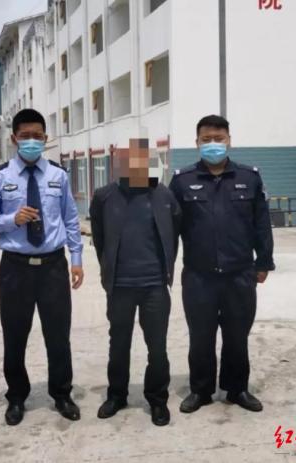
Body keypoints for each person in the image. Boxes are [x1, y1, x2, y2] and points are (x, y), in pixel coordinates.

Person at [0, 109, 84, 426]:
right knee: (14, 335)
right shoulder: (0, 178)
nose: (32, 141)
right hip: (15, 268)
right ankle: (16, 397)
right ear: (14, 138)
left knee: (58, 335)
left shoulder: (58, 176)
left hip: (53, 266)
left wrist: (76, 260)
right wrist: (12, 219)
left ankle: (62, 394)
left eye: (38, 136)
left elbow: (71, 220)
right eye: (25, 136)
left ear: (46, 138)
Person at [169, 115, 275, 414]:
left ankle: (237, 389)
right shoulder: (182, 180)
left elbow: (261, 224)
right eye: (207, 139)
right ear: (197, 143)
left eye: (219, 139)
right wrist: (166, 268)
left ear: (229, 141)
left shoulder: (249, 177)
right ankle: (201, 391)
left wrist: (263, 261)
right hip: (198, 276)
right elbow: (170, 230)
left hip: (239, 274)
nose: (213, 144)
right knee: (200, 338)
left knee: (237, 336)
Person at [90, 140, 181, 426]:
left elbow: (174, 235)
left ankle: (157, 399)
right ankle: (117, 395)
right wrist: (109, 270)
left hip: (155, 286)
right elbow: (99, 239)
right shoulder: (104, 197)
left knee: (158, 347)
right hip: (120, 287)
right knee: (118, 344)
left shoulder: (164, 195)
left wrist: (166, 270)